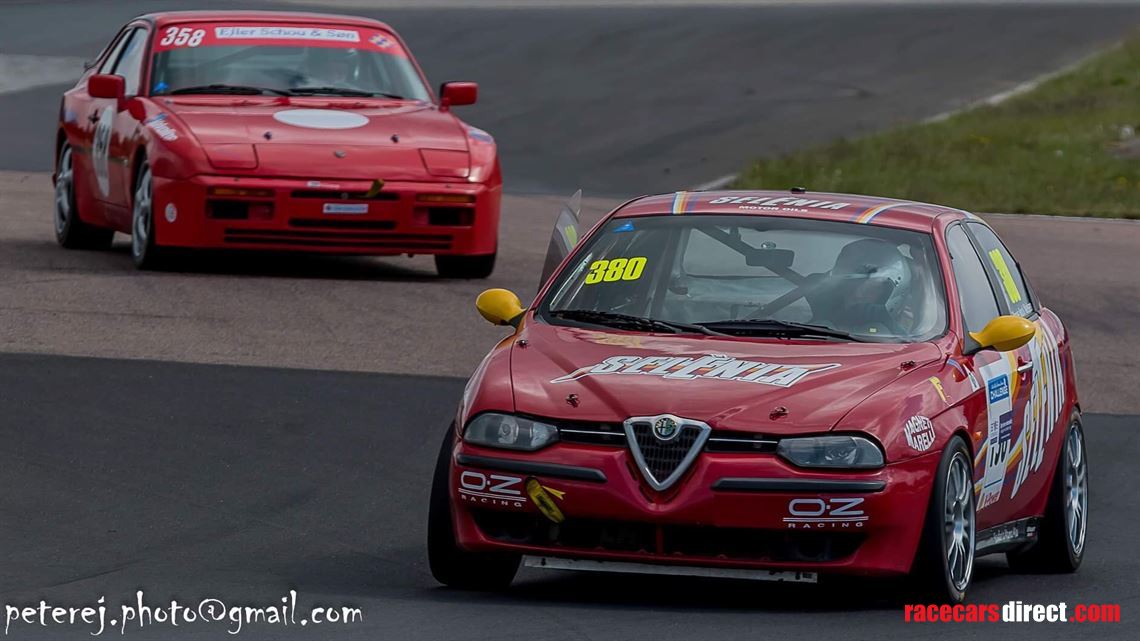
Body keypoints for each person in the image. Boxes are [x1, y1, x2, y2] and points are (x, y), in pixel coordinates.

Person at [823, 238, 913, 335]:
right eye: (853, 284)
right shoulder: (820, 309)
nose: (858, 293)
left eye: (871, 289)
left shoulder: (901, 339)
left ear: (888, 293)